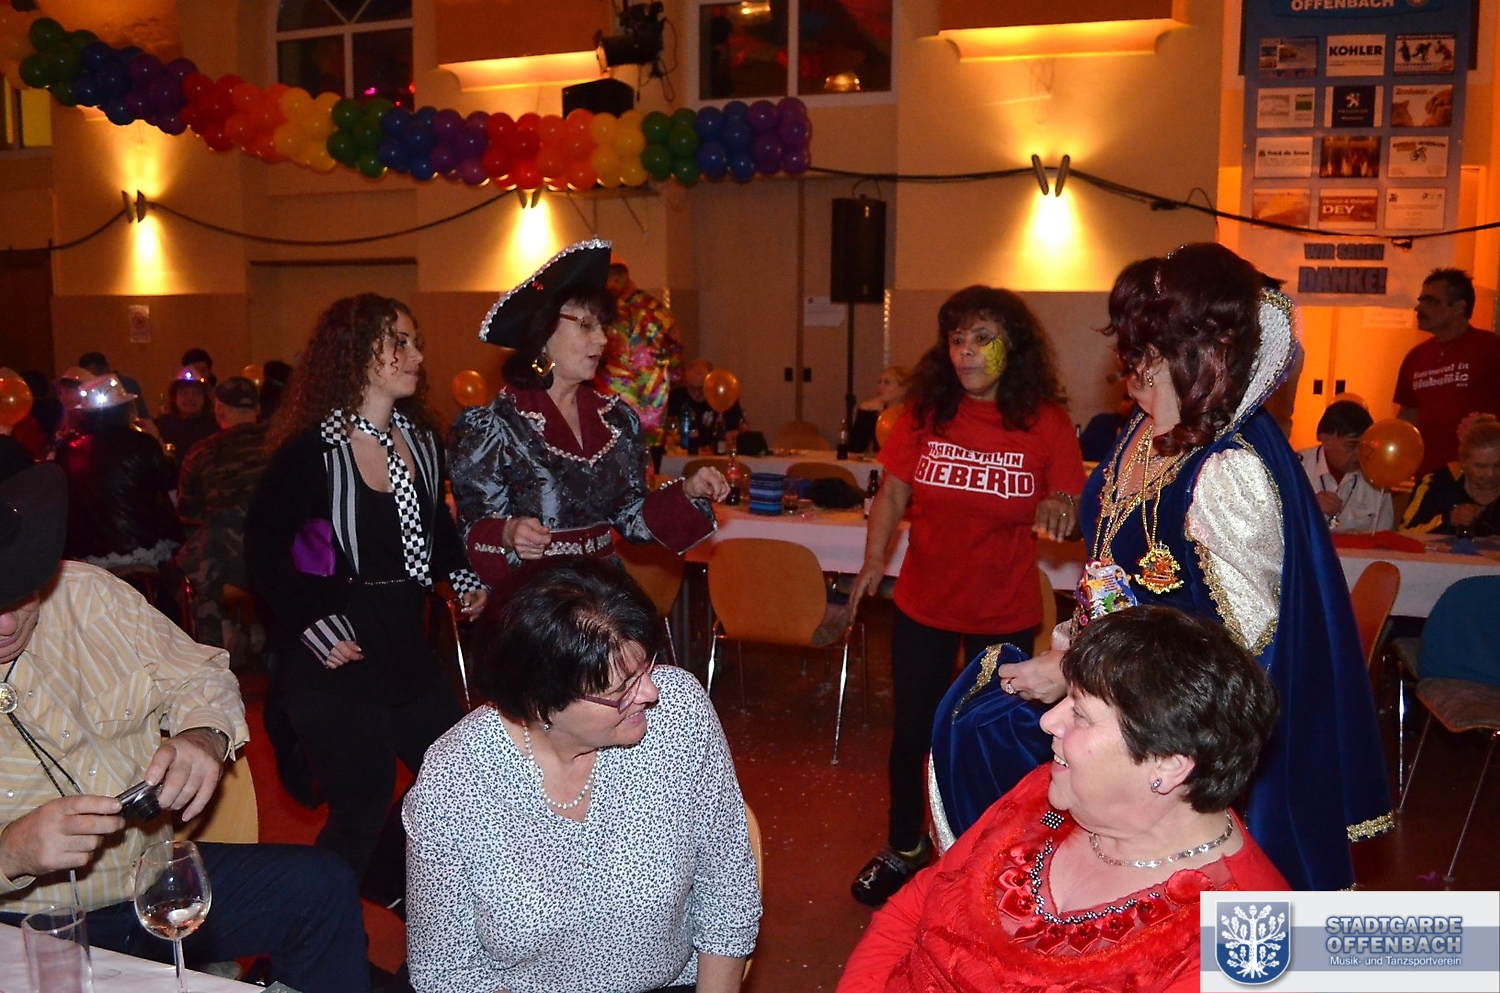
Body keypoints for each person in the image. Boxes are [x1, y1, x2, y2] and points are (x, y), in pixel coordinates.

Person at [958, 244, 1391, 892]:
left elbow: (1237, 661)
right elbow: (1120, 564)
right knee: (973, 724)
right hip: (1112, 694)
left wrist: (1081, 674)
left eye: (1147, 345)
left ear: (1195, 352)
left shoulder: (1229, 472)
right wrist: (1073, 652)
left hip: (1170, 738)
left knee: (988, 741)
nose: (1128, 361)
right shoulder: (1143, 427)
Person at [0, 464, 372, 993]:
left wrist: (203, 735)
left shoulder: (86, 594)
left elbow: (201, 673)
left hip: (149, 881)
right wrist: (11, 851)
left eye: (19, 594)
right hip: (27, 922)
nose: (7, 624)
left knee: (323, 886)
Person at [838, 607, 1287, 993]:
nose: (1048, 721)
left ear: (1168, 765)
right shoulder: (1049, 790)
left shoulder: (1258, 940)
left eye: (1081, 714)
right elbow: (913, 908)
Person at [404, 557, 761, 993]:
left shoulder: (678, 713)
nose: (650, 693)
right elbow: (446, 971)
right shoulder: (454, 781)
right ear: (542, 703)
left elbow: (727, 893)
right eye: (621, 689)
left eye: (646, 668)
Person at [845, 285, 1087, 906]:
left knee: (990, 737)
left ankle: (991, 855)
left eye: (983, 339)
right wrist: (873, 561)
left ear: (1013, 348)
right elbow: (893, 494)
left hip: (1001, 610)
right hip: (924, 602)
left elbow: (1069, 499)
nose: (966, 352)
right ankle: (904, 846)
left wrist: (1061, 505)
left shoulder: (1046, 422)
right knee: (912, 733)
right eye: (957, 339)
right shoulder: (926, 412)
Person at [245, 294, 487, 907]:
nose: (416, 355)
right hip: (336, 661)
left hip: (405, 649)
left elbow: (435, 531)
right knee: (360, 809)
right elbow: (268, 556)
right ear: (355, 354)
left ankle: (381, 881)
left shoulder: (421, 442)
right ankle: (294, 944)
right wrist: (315, 622)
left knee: (464, 778)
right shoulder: (313, 453)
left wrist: (461, 578)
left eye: (415, 341)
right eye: (398, 342)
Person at [449, 239, 727, 596]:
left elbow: (631, 517)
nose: (602, 339)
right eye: (585, 325)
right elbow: (472, 531)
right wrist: (508, 533)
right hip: (537, 601)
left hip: (603, 596)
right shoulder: (494, 427)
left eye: (602, 326)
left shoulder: (617, 420)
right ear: (544, 331)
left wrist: (687, 492)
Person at [174, 376, 272, 658]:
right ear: (257, 409)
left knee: (191, 563)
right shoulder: (281, 444)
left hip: (225, 563)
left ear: (219, 410)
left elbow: (187, 511)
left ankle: (217, 643)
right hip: (279, 557)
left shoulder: (202, 451)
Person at [54, 373, 183, 575]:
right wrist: (159, 443)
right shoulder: (141, 444)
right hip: (140, 546)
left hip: (82, 553)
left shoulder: (67, 449)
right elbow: (171, 481)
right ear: (124, 409)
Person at [1395, 268, 1500, 479]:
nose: (1419, 308)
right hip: (1427, 475)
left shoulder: (1490, 348)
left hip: (1480, 475)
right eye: (1420, 301)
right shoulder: (1415, 357)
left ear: (1458, 307)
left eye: (1431, 301)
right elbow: (1407, 417)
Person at [600, 259, 684, 442]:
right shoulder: (659, 311)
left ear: (616, 278)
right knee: (647, 453)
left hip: (614, 401)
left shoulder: (606, 313)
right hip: (652, 402)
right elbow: (676, 366)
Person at [1298, 399, 1393, 533]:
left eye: (1365, 445)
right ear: (1326, 440)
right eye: (1352, 445)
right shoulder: (1296, 468)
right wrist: (1307, 507)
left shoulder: (1376, 478)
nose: (1360, 453)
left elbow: (1384, 536)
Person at [1401, 413, 1500, 535]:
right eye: (1480, 467)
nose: (1490, 474)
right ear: (1462, 462)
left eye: (1498, 465)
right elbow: (1405, 532)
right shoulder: (1437, 484)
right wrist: (1449, 519)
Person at [667, 357, 747, 449]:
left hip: (716, 453)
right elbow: (668, 429)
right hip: (681, 453)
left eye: (701, 389)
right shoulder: (675, 397)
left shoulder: (724, 397)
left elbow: (735, 431)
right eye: (692, 388)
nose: (697, 393)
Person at [156, 366, 220, 458]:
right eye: (184, 393)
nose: (190, 398)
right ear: (174, 397)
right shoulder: (162, 425)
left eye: (196, 393)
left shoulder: (215, 425)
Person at [848, 365, 910, 454]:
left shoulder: (911, 415)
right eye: (879, 382)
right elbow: (855, 449)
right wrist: (864, 411)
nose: (880, 387)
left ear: (903, 389)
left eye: (887, 383)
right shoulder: (875, 412)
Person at [78, 349, 151, 421]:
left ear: (105, 369)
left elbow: (141, 414)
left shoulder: (127, 383)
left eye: (94, 374)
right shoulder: (85, 389)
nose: (92, 381)